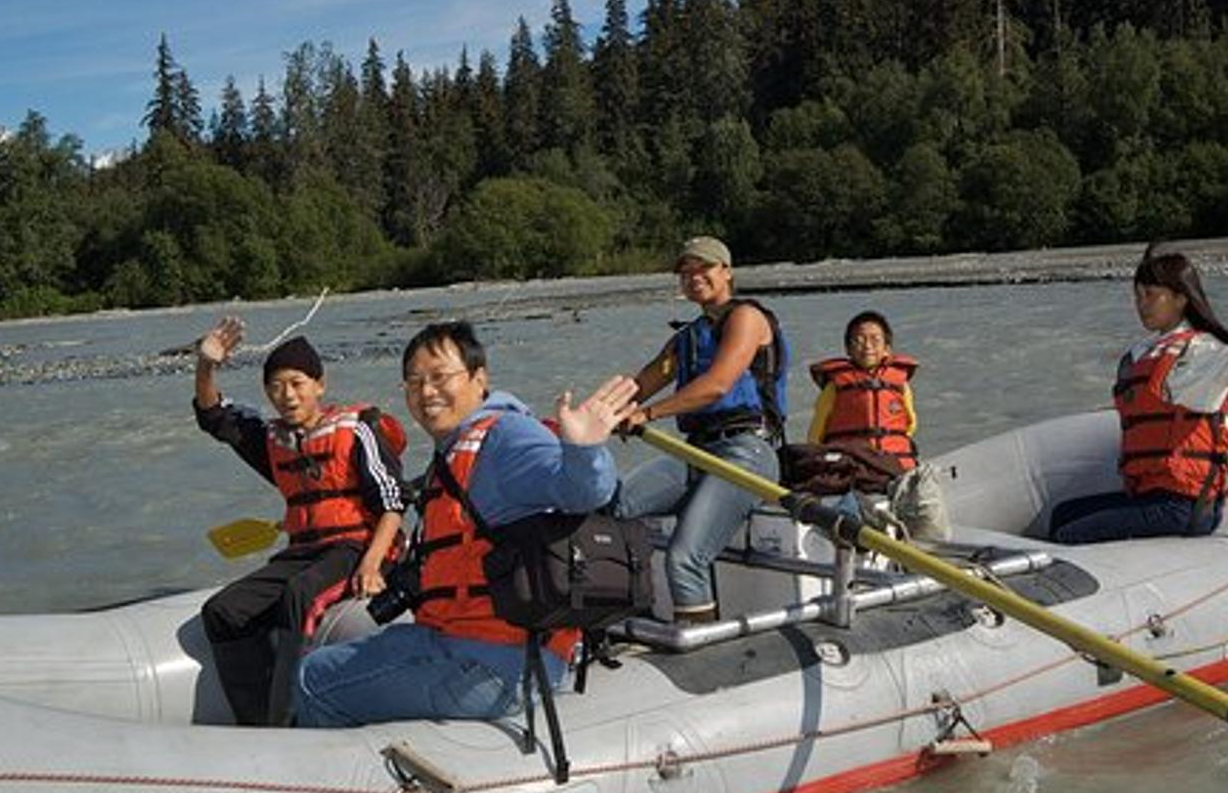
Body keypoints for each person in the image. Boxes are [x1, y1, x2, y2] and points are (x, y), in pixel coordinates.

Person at [295, 321, 639, 728]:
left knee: (312, 680)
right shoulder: (455, 451)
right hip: (461, 642)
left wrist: (583, 450)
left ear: (479, 379)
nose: (425, 392)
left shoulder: (506, 437)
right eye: (414, 382)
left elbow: (584, 491)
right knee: (332, 658)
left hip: (494, 664)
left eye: (440, 377)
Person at [193, 320, 406, 725]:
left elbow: (393, 503)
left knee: (300, 594)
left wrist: (372, 563)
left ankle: (288, 723)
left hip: (360, 546)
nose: (286, 395)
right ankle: (256, 722)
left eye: (297, 383)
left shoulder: (358, 430)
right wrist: (206, 366)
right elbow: (214, 417)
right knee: (224, 611)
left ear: (319, 385)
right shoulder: (272, 440)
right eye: (275, 386)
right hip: (303, 552)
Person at [1047, 249, 1228, 545]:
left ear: (1181, 298)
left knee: (1071, 534)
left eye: (1151, 295)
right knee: (1062, 515)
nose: (1141, 305)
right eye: (1138, 296)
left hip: (1183, 505)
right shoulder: (1143, 353)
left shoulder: (1201, 353)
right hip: (1150, 496)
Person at [614, 236, 787, 622]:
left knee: (683, 557)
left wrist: (648, 415)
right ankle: (618, 614)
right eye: (686, 272)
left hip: (746, 453)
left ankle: (699, 646)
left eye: (704, 269)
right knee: (613, 506)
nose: (694, 278)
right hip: (697, 453)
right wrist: (599, 413)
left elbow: (718, 385)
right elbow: (641, 383)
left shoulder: (746, 318)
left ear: (726, 272)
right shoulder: (687, 338)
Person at [806, 310, 919, 469]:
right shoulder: (835, 385)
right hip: (851, 463)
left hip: (894, 461)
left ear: (887, 348)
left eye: (875, 340)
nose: (867, 346)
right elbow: (817, 429)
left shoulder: (900, 384)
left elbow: (909, 422)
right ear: (848, 349)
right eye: (858, 340)